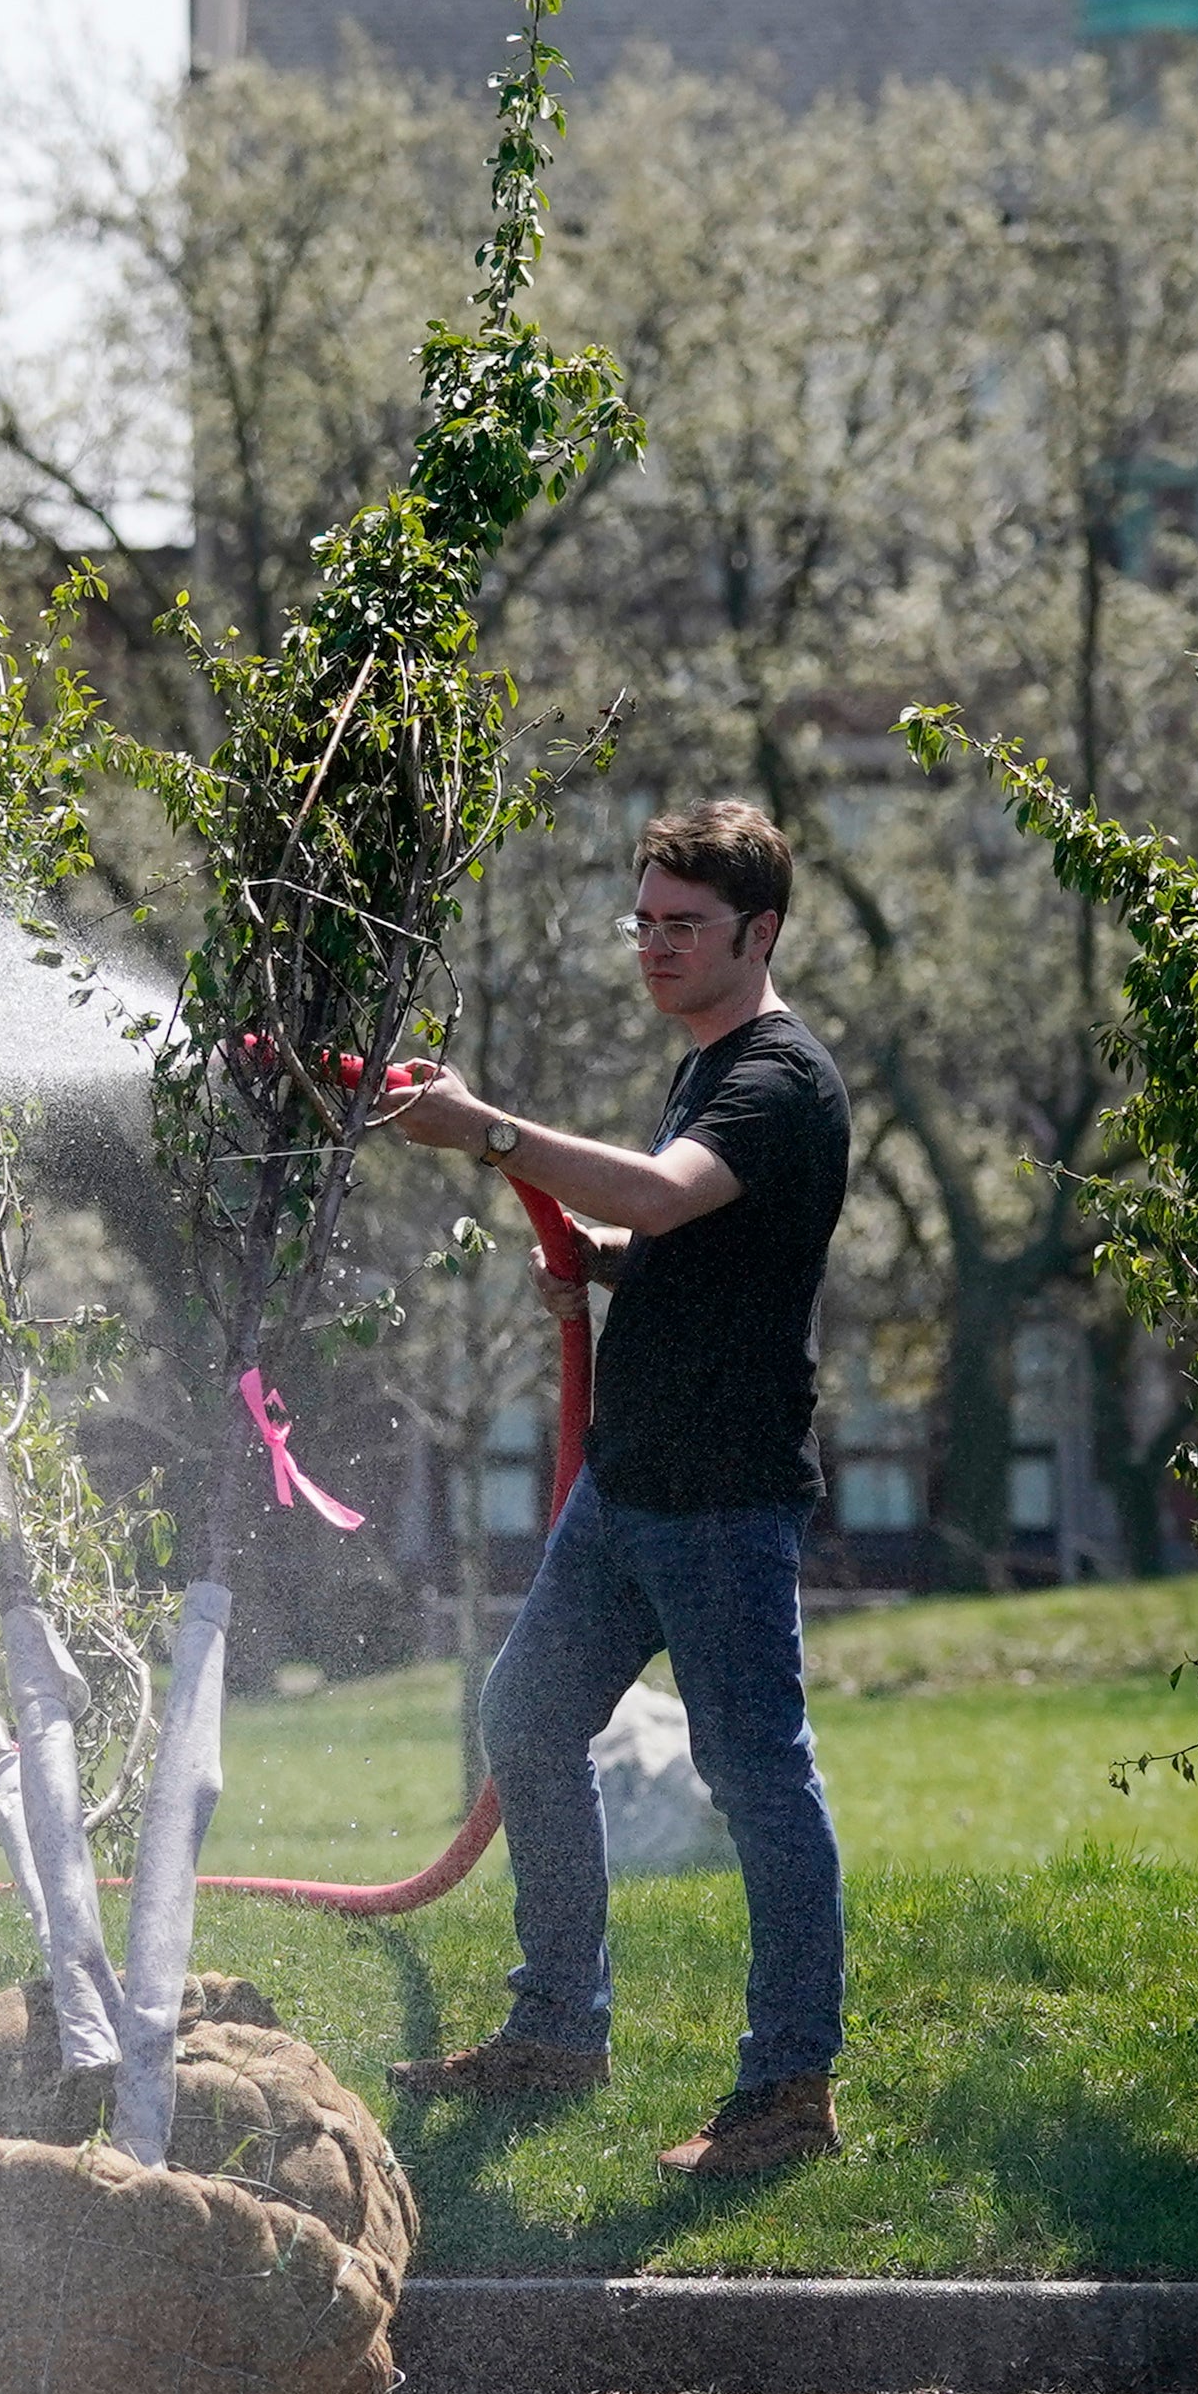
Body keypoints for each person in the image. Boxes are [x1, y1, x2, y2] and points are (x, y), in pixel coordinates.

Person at [376, 797, 852, 2183]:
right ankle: (558, 2028)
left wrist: (492, 1137)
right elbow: (697, 1239)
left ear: (758, 932)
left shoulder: (779, 1078)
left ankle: (787, 2090)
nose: (655, 945)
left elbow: (666, 1193)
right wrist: (605, 1260)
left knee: (757, 1776)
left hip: (719, 1501)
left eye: (685, 926)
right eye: (643, 921)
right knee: (525, 1714)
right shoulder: (706, 1061)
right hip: (628, 1490)